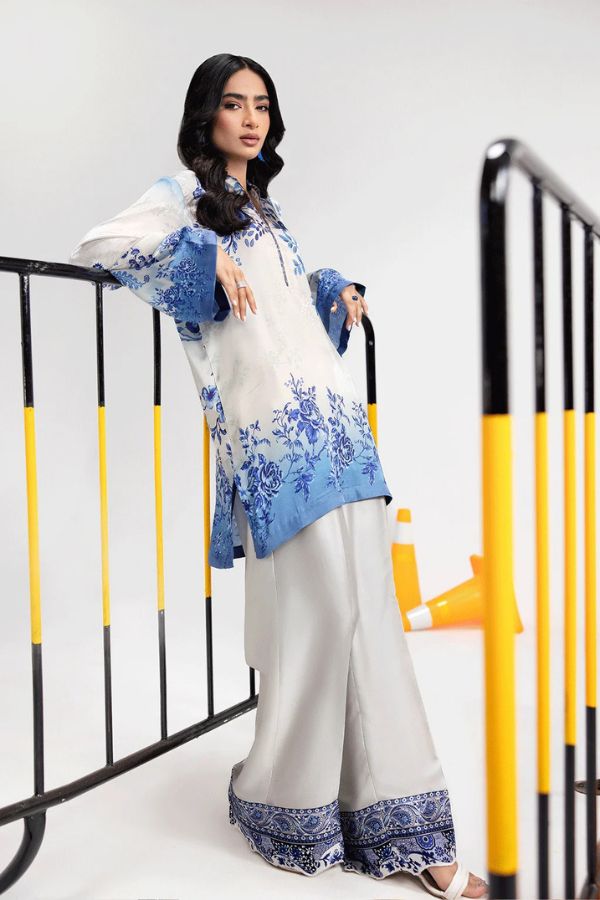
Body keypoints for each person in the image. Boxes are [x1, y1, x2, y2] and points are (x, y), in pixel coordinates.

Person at [68, 52, 488, 899]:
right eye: (233, 104)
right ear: (206, 118)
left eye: (261, 105)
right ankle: (281, 800)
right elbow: (102, 244)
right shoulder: (183, 201)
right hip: (272, 443)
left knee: (370, 618)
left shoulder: (269, 214)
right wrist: (198, 255)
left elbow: (290, 320)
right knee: (327, 617)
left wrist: (332, 287)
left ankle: (410, 831)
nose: (250, 118)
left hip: (337, 430)